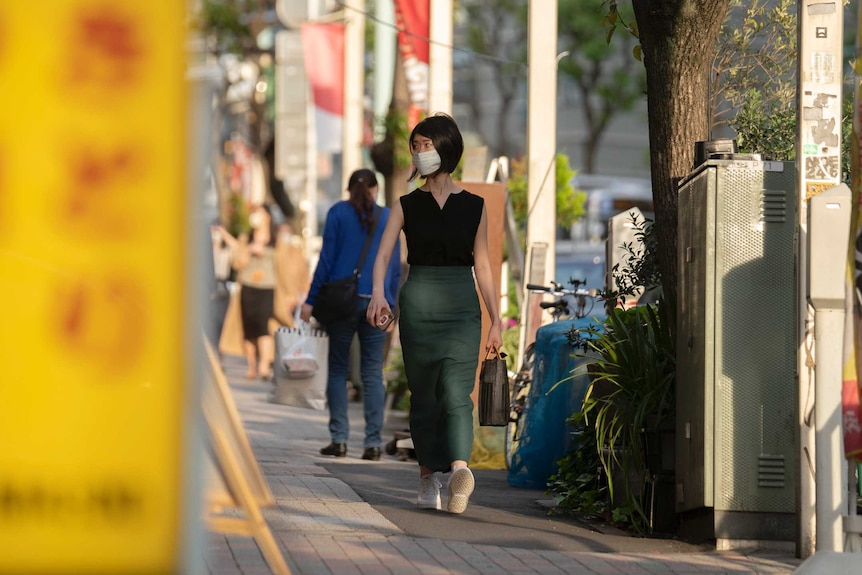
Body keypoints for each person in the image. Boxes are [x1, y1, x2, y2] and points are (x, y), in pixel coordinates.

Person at [366, 113, 502, 514]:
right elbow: (384, 254)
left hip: (462, 305)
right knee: (424, 396)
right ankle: (429, 476)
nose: (420, 152)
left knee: (457, 394)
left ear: (447, 148)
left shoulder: (475, 206)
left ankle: (460, 469)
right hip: (420, 301)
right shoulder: (406, 204)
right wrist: (378, 294)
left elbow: (484, 265)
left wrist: (496, 319)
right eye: (416, 145)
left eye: (427, 144)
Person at [301, 169, 401, 461]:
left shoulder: (337, 213)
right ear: (376, 190)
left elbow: (326, 261)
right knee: (372, 372)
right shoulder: (387, 217)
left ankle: (340, 439)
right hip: (376, 301)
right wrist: (390, 304)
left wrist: (310, 300)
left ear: (348, 190)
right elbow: (393, 265)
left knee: (338, 369)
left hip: (341, 302)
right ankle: (372, 444)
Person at [215, 204, 279, 380]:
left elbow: (284, 263)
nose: (256, 216)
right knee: (249, 328)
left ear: (267, 215)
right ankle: (252, 366)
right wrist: (250, 249)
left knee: (263, 325)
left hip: (268, 286)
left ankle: (264, 366)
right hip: (248, 286)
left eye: (259, 212)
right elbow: (238, 262)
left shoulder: (276, 237)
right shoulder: (246, 237)